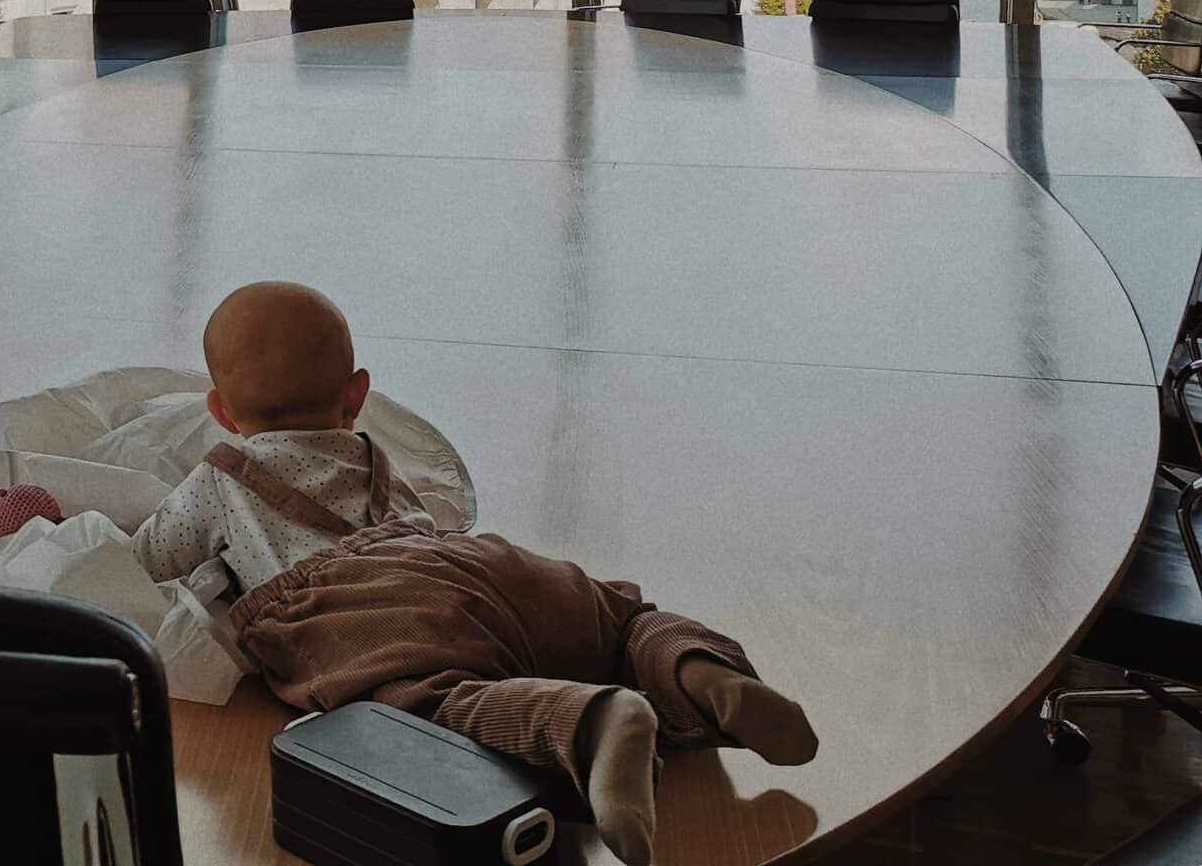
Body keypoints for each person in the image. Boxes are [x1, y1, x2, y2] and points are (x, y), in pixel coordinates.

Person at [130, 281, 816, 866]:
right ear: (356, 395)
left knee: (424, 705)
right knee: (618, 618)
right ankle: (703, 673)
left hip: (356, 608)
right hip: (472, 563)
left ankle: (589, 722)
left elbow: (151, 559)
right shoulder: (371, 455)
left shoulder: (219, 478)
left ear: (219, 412)